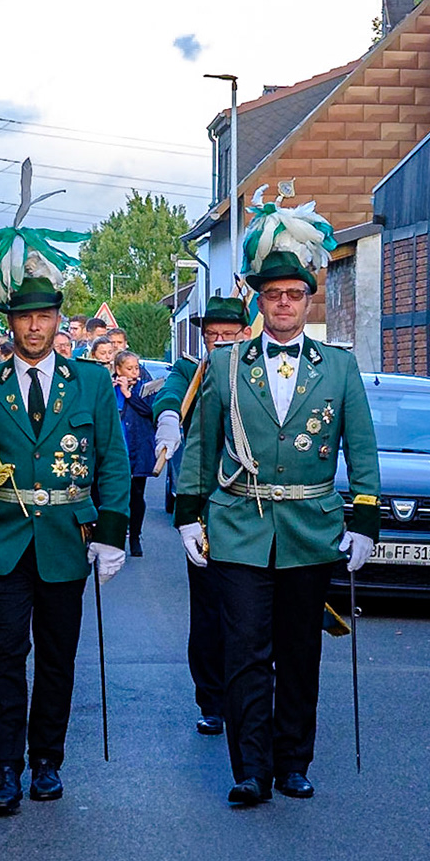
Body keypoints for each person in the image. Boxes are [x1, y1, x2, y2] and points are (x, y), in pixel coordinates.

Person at [175, 198, 381, 807]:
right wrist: (188, 514)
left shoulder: (339, 368)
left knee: (299, 651)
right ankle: (250, 769)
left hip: (309, 528)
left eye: (294, 294)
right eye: (273, 295)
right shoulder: (225, 365)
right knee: (244, 650)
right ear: (259, 302)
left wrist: (365, 519)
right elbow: (202, 444)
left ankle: (293, 761)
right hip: (239, 524)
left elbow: (361, 447)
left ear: (309, 300)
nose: (284, 303)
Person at [0, 208, 129, 815]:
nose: (34, 326)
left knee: (56, 656)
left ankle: (47, 759)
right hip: (1, 536)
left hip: (66, 538)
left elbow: (112, 461)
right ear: (10, 321)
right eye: (24, 316)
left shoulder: (91, 383)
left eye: (44, 315)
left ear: (57, 319)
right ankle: (4, 769)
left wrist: (112, 534)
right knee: (5, 653)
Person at [152, 295, 255, 739]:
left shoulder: (260, 371)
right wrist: (168, 418)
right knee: (209, 612)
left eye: (228, 335)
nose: (219, 342)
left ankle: (252, 695)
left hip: (254, 512)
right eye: (212, 335)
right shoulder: (191, 369)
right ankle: (212, 700)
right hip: (208, 513)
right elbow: (170, 394)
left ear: (246, 335)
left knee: (253, 613)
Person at [113, 352, 157, 556]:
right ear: (118, 370)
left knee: (137, 495)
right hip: (117, 449)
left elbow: (149, 411)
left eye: (136, 368)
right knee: (117, 495)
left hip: (138, 448)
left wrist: (129, 394)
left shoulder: (145, 387)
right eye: (129, 368)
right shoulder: (110, 387)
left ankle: (135, 537)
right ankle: (117, 535)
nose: (134, 372)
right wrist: (118, 390)